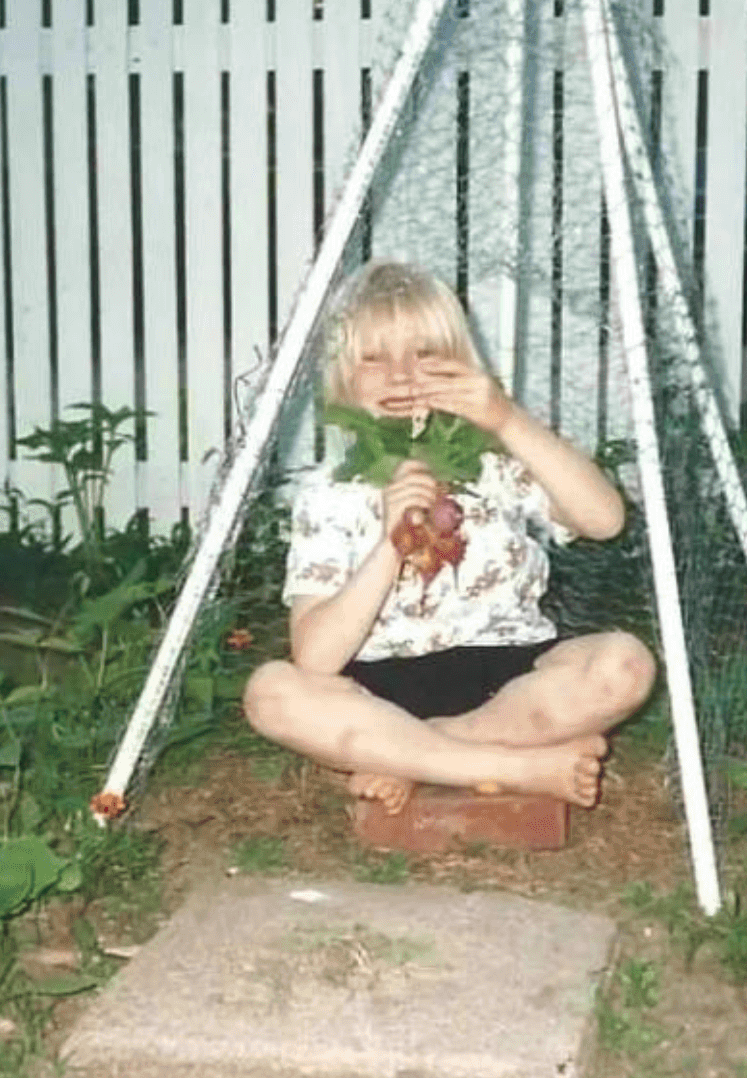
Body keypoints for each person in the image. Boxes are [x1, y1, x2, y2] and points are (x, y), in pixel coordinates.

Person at [241, 260, 655, 816]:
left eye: (425, 354)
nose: (401, 374)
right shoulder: (327, 495)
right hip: (377, 692)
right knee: (271, 692)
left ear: (462, 365)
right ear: (342, 375)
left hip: (507, 679)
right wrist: (391, 542)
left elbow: (605, 519)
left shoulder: (495, 463)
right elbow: (315, 659)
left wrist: (507, 420)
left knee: (625, 664)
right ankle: (514, 767)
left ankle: (415, 757)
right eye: (374, 358)